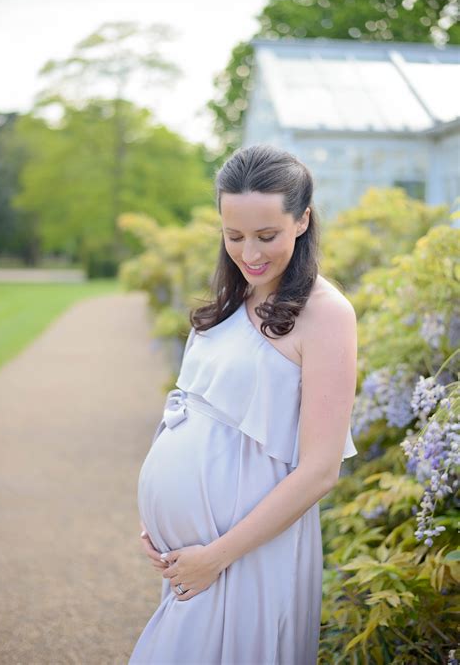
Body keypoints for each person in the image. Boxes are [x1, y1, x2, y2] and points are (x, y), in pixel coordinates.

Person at [129, 143, 358, 664]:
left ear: (302, 221)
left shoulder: (327, 314)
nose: (249, 253)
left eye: (267, 235)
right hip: (194, 556)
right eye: (234, 236)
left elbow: (320, 470)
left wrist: (214, 557)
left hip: (249, 553)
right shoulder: (231, 302)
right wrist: (162, 517)